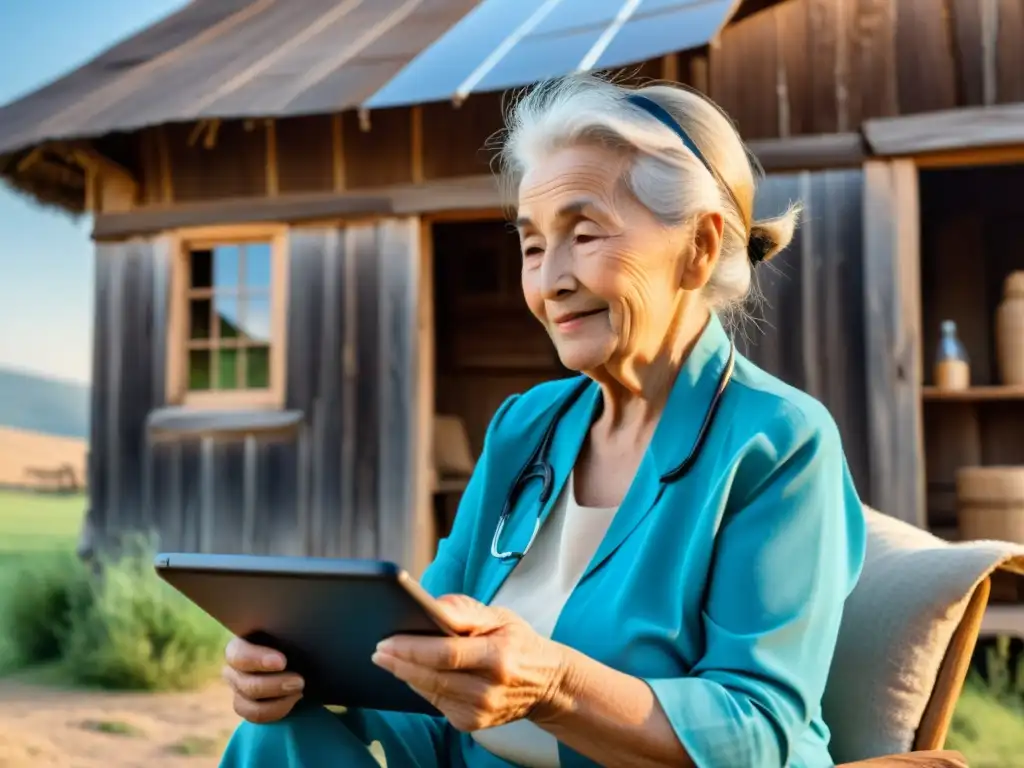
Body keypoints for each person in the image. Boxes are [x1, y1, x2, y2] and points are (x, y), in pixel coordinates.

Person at [218, 73, 867, 768]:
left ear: (700, 248)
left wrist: (550, 685)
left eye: (584, 234)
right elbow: (426, 656)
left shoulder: (780, 442)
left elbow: (755, 730)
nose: (550, 280)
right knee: (277, 733)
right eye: (531, 246)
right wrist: (295, 673)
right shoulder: (524, 427)